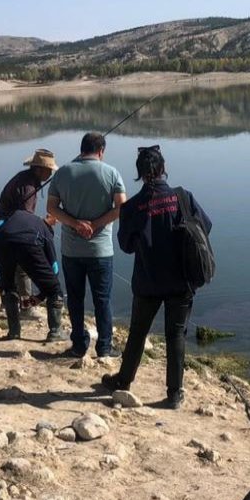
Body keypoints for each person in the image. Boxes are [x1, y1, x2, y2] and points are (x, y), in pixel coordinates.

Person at [103, 146, 211, 409]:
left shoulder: (132, 207)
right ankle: (174, 394)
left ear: (139, 174)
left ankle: (124, 381)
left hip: (147, 281)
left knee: (138, 332)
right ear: (163, 168)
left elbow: (127, 246)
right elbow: (205, 227)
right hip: (182, 280)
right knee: (176, 335)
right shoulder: (183, 197)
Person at [46, 132, 126, 358]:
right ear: (101, 151)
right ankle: (104, 347)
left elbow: (52, 208)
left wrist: (75, 224)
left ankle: (79, 345)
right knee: (103, 299)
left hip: (71, 251)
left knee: (75, 298)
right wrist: (96, 224)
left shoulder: (62, 173)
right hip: (100, 250)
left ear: (81, 149)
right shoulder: (111, 173)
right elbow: (122, 208)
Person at [0, 149, 58, 306]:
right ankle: (26, 306)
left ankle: (8, 302)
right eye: (49, 170)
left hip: (0, 227)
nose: (50, 174)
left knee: (7, 267)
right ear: (39, 169)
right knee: (23, 266)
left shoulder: (26, 178)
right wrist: (46, 223)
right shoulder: (28, 187)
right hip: (6, 228)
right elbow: (24, 222)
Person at [0, 209, 65, 341]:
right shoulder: (46, 232)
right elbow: (53, 266)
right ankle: (55, 332)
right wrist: (44, 293)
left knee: (8, 286)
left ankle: (14, 332)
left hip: (2, 241)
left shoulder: (18, 214)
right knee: (54, 289)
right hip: (29, 243)